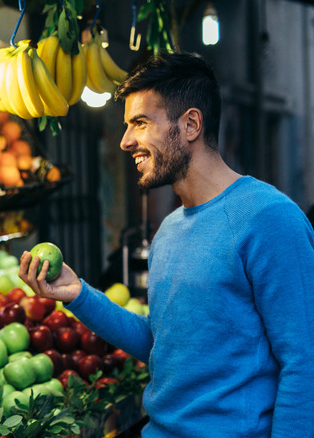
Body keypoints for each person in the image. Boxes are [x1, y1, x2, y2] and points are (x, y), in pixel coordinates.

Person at [19, 52, 314, 437]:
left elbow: (304, 362)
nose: (126, 141)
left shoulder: (270, 219)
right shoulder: (170, 229)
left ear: (190, 124)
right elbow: (163, 345)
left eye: (140, 122)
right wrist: (78, 295)